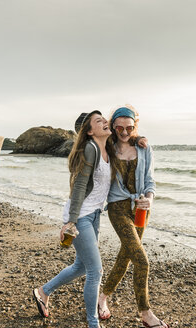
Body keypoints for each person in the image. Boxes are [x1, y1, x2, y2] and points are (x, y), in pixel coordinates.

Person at [33, 110, 113, 328]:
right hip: (81, 216)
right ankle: (93, 323)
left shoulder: (108, 148)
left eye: (104, 118)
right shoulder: (91, 148)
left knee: (80, 266)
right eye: (99, 121)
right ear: (89, 131)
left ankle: (43, 291)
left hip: (94, 214)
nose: (105, 121)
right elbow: (79, 185)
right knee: (95, 271)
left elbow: (129, 137)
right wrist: (71, 221)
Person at [97, 106, 169, 328]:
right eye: (119, 127)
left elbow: (150, 181)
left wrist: (150, 199)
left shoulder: (144, 148)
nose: (125, 132)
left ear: (135, 126)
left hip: (141, 209)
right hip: (117, 207)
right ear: (113, 125)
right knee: (142, 260)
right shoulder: (106, 147)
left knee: (126, 256)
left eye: (130, 127)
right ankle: (146, 313)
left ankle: (101, 297)